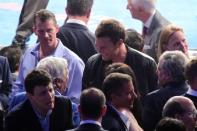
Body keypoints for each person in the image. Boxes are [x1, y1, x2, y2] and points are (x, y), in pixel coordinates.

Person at [12, 9, 84, 103]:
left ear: (57, 29)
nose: (46, 35)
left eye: (49, 30)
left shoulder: (74, 62)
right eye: (41, 31)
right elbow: (19, 86)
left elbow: (75, 101)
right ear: (35, 31)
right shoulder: (28, 53)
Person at [82, 18, 158, 104]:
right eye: (97, 46)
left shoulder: (146, 64)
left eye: (103, 47)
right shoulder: (92, 64)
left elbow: (154, 101)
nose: (98, 50)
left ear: (119, 43)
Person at [9, 56, 80, 126]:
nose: (49, 96)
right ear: (58, 82)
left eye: (50, 90)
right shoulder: (70, 107)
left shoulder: (66, 105)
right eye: (66, 79)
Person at [5, 69, 74, 131]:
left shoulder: (64, 105)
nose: (49, 96)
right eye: (43, 93)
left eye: (50, 90)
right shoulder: (15, 119)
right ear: (30, 96)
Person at [142, 51, 189, 131]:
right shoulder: (192, 91)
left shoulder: (153, 99)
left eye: (159, 69)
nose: (156, 72)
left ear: (167, 75)